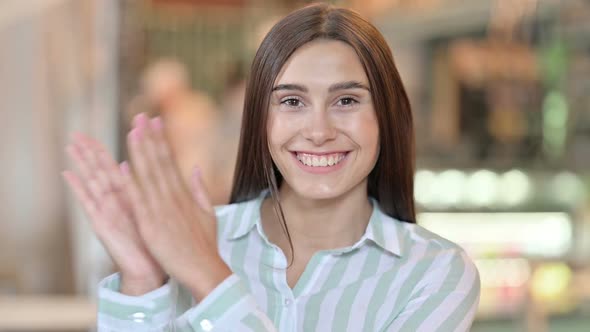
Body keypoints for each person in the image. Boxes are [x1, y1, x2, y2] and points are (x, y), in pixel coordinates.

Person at [63, 3, 480, 331]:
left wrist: (209, 278)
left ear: (387, 116)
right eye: (292, 102)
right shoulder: (185, 240)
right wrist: (141, 280)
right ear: (260, 118)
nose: (318, 131)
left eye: (347, 101)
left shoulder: (435, 272)